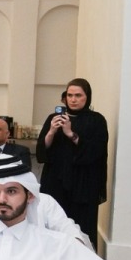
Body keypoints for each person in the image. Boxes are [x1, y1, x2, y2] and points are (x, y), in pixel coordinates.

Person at [36, 78, 109, 248]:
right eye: (69, 95)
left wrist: (70, 133)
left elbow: (95, 152)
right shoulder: (53, 118)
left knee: (82, 228)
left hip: (83, 184)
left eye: (78, 95)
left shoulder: (96, 120)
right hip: (55, 180)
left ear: (87, 97)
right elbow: (42, 151)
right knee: (53, 225)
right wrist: (52, 131)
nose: (73, 99)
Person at [0, 154, 91, 247]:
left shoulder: (45, 201)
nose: (2, 199)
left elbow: (67, 229)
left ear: (30, 195)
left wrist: (74, 251)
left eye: (11, 191)